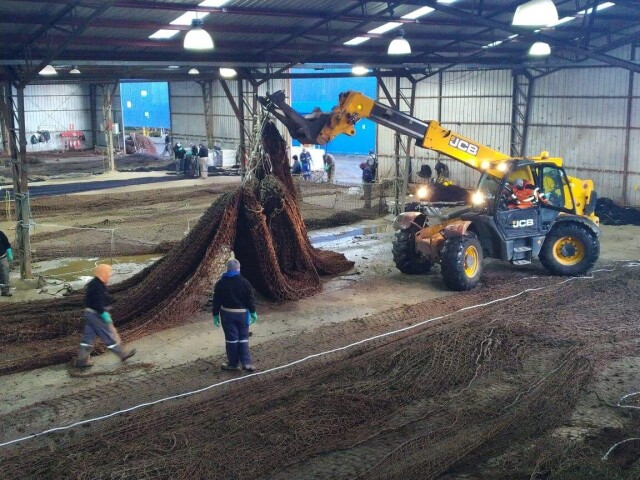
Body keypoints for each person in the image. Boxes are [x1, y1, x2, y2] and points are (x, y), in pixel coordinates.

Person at [75, 264, 136, 368]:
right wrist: (103, 314)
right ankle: (123, 354)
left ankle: (82, 360)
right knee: (110, 336)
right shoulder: (98, 286)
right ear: (102, 273)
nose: (109, 275)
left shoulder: (94, 283)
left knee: (88, 339)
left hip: (89, 314)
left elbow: (91, 299)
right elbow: (97, 302)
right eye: (108, 273)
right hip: (97, 315)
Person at [212, 258, 257, 372]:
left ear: (227, 269)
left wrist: (215, 314)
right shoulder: (245, 282)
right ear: (238, 269)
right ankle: (246, 363)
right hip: (242, 315)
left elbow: (216, 300)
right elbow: (250, 299)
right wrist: (253, 312)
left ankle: (233, 364)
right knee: (243, 338)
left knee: (231, 340)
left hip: (227, 315)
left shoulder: (220, 283)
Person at [0, 230, 13, 297]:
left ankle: (5, 291)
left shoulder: (1, 234)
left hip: (3, 257)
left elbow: (7, 244)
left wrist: (9, 252)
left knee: (5, 275)